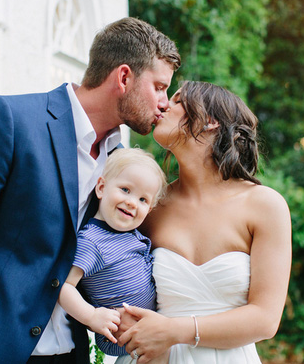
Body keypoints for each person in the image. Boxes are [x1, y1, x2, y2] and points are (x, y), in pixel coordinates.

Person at [0, 17, 180, 364]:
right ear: (124, 77)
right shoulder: (8, 119)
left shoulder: (118, 165)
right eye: (159, 87)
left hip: (70, 352)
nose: (164, 102)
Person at [116, 81, 292, 364]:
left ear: (210, 121)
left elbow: (266, 319)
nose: (162, 106)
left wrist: (174, 330)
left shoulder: (264, 206)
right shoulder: (150, 208)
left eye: (176, 101)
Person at [57, 147, 167, 360]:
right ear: (101, 187)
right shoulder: (92, 241)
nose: (132, 202)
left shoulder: (131, 234)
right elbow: (64, 286)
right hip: (123, 336)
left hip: (153, 332)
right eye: (125, 189)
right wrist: (91, 316)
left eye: (143, 200)